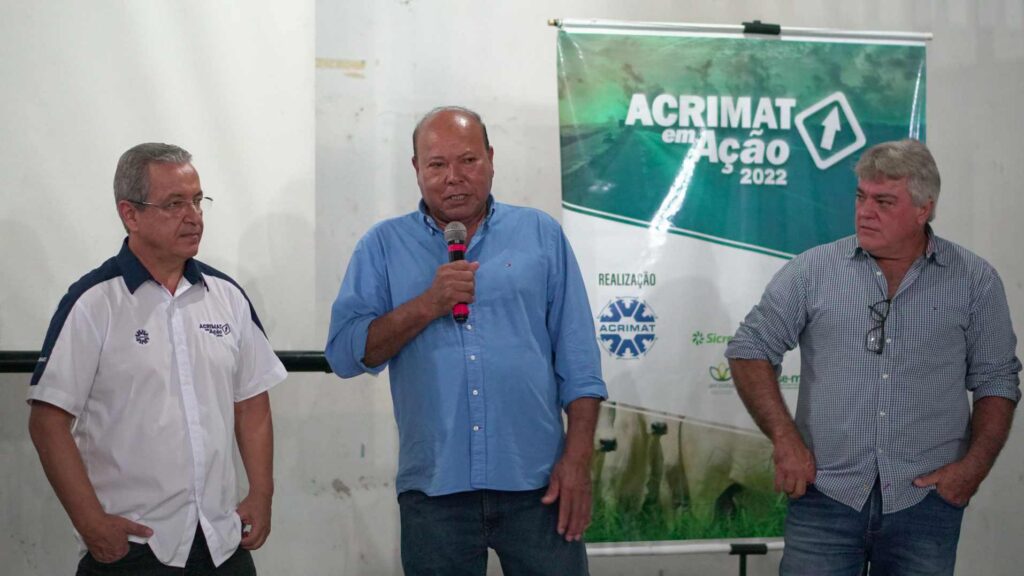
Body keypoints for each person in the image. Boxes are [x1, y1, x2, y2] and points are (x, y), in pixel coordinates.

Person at [325, 106, 607, 575]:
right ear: (416, 169)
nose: (453, 177)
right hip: (435, 490)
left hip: (539, 484)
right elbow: (345, 354)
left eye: (468, 161)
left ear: (491, 159)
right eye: (437, 164)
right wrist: (427, 304)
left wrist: (577, 461)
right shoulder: (382, 246)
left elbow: (579, 364)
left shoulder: (540, 235)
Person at [726, 139, 1021, 575]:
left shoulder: (974, 281)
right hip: (825, 494)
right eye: (861, 197)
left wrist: (971, 471)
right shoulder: (812, 271)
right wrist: (785, 440)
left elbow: (997, 380)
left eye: (884, 202)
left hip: (926, 501)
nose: (865, 212)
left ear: (923, 209)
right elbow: (749, 349)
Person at [28, 143, 287, 575]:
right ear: (130, 214)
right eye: (174, 204)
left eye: (198, 200)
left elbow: (251, 401)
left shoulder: (226, 296)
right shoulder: (93, 302)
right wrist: (92, 524)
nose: (194, 216)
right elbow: (47, 421)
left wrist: (262, 493)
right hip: (133, 547)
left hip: (222, 542)